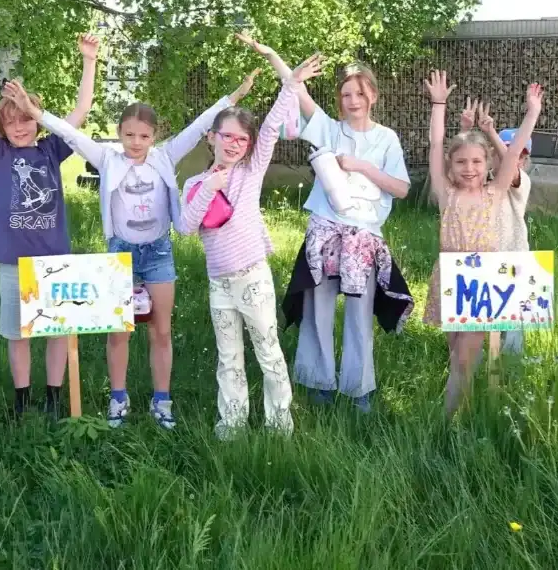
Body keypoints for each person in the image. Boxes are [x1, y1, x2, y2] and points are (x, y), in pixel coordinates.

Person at [39, 67, 257, 430]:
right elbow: (71, 135)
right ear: (118, 133)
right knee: (119, 332)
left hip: (158, 253)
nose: (136, 142)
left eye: (143, 135)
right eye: (128, 134)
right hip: (119, 255)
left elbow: (199, 124)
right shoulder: (107, 158)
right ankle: (118, 398)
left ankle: (161, 400)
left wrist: (232, 98)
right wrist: (37, 115)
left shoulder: (164, 156)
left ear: (155, 136)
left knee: (160, 329)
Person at [175, 36, 319, 439]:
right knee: (229, 357)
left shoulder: (251, 172)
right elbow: (185, 227)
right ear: (211, 137)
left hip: (252, 276)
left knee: (268, 350)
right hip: (219, 282)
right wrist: (209, 185)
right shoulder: (195, 184)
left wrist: (290, 82)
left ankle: (279, 425)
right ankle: (232, 424)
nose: (235, 144)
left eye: (242, 139)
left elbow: (273, 124)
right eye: (227, 137)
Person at [0, 33, 100, 418]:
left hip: (54, 260)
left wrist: (89, 61)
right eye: (11, 121)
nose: (20, 127)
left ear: (37, 120)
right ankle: (21, 399)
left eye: (27, 119)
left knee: (56, 331)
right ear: (1, 127)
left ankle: (52, 397)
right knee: (18, 333)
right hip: (14, 261)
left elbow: (80, 112)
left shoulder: (51, 149)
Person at [282, 58, 411, 412]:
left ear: (373, 95)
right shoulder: (328, 129)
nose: (352, 100)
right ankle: (318, 382)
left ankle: (359, 389)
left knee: (359, 313)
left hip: (363, 237)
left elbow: (400, 189)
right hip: (325, 233)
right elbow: (298, 92)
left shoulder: (387, 139)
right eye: (345, 94)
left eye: (359, 92)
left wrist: (362, 166)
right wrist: (288, 71)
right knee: (318, 308)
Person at [423, 71, 542, 416]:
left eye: (476, 161)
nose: (469, 168)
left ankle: (447, 422)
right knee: (457, 355)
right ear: (451, 166)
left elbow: (516, 149)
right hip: (451, 280)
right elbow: (435, 144)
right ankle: (465, 412)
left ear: (488, 164)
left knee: (463, 358)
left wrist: (531, 112)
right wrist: (439, 104)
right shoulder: (446, 195)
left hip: (484, 282)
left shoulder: (495, 193)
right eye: (461, 161)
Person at [457, 98, 532, 356]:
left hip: (513, 262)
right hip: (479, 261)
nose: (513, 157)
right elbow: (458, 163)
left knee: (512, 332)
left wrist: (489, 131)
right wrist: (465, 130)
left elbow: (509, 166)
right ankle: (469, 373)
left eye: (519, 154)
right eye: (507, 150)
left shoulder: (521, 183)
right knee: (474, 329)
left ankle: (510, 374)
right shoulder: (479, 182)